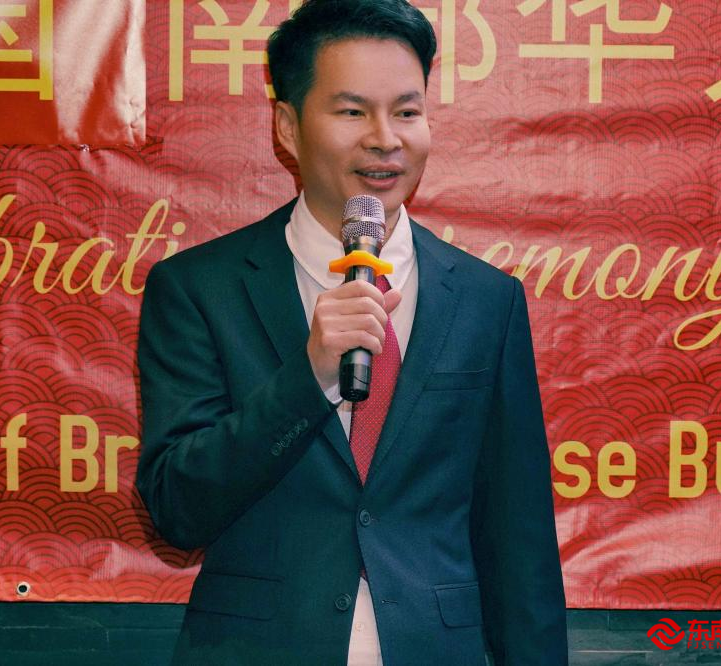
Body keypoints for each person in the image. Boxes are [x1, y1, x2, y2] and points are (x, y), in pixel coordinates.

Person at [136, 1, 567, 663]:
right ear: (287, 127)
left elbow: (518, 538)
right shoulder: (198, 288)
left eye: (406, 112)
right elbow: (178, 510)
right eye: (351, 112)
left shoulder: (487, 300)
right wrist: (306, 379)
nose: (385, 139)